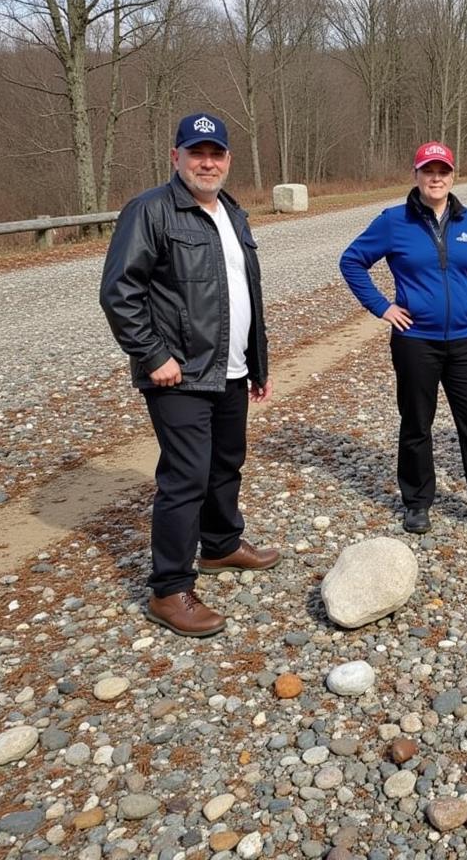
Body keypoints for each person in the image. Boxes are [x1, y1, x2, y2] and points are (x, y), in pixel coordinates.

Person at [99, 112, 279, 637]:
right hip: (178, 374)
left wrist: (258, 362)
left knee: (227, 463)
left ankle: (220, 545)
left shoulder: (233, 214)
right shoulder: (150, 211)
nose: (207, 162)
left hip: (231, 368)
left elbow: (245, 297)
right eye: (196, 152)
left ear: (227, 160)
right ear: (175, 156)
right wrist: (154, 355)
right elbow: (120, 293)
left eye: (215, 153)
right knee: (185, 479)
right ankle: (169, 589)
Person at [339, 141, 467, 538]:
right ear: (417, 176)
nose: (436, 178)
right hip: (415, 342)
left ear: (453, 176)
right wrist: (383, 307)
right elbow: (351, 261)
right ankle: (417, 503)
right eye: (429, 171)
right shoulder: (394, 221)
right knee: (416, 425)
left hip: (464, 341)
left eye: (443, 171)